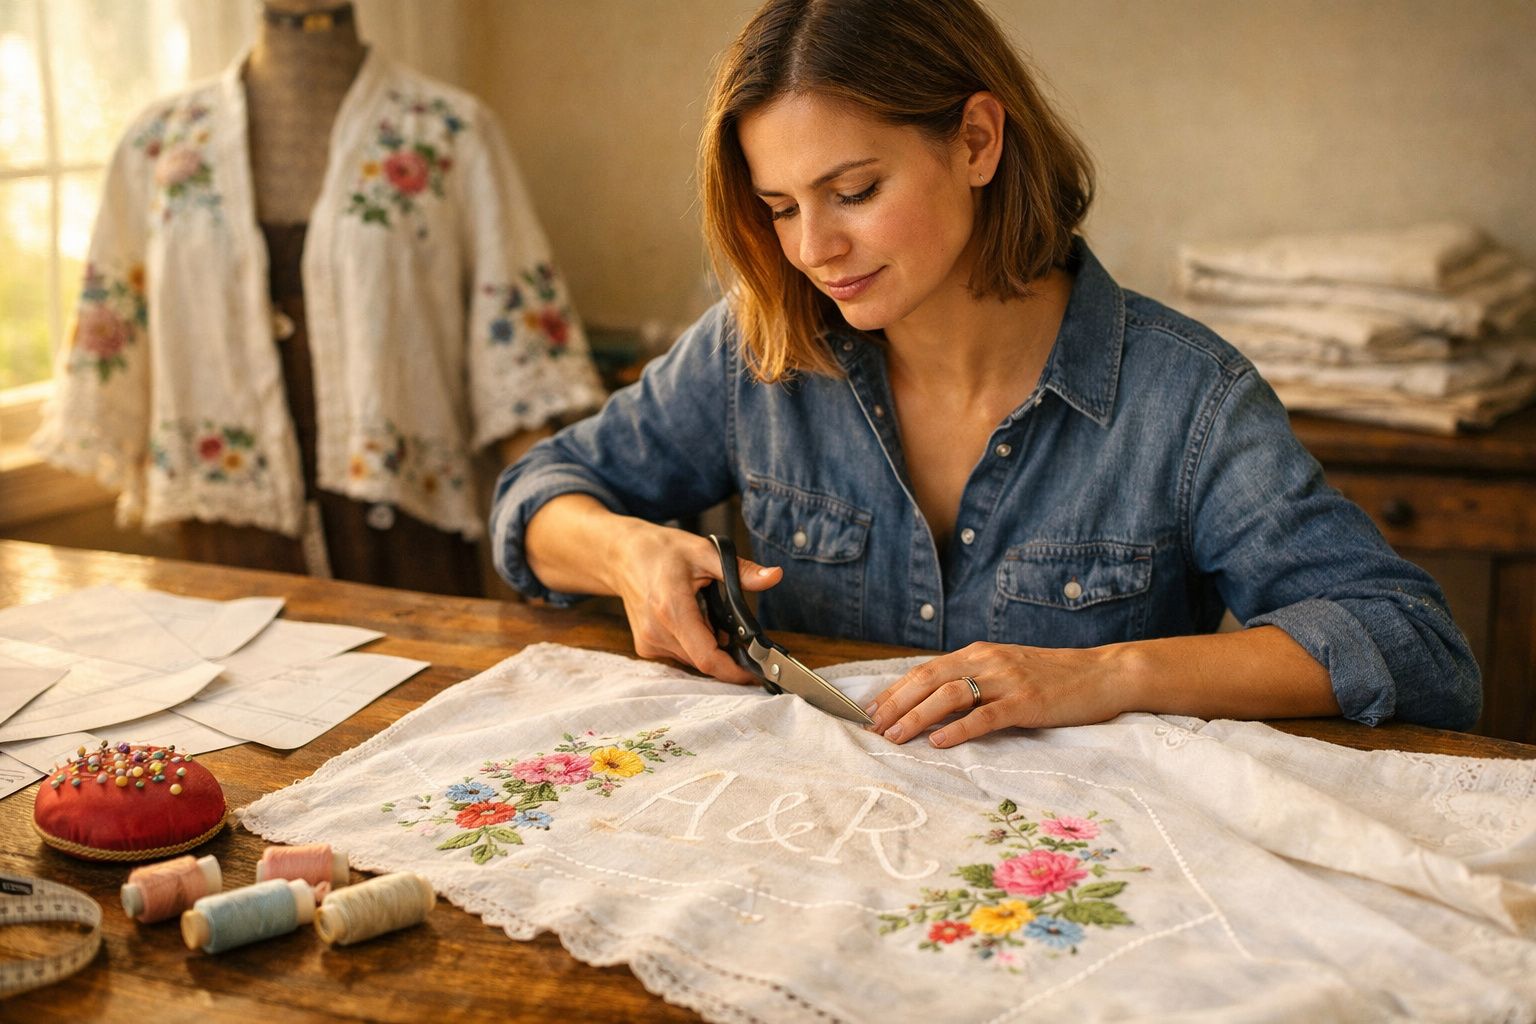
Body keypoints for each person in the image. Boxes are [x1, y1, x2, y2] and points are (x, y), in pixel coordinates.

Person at [491, 0, 1479, 746]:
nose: (815, 249)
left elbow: (1411, 643)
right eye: (782, 207)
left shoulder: (1185, 401)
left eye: (854, 190)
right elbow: (536, 498)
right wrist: (626, 555)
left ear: (976, 140)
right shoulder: (758, 348)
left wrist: (1103, 674)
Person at [34, 0, 604, 596]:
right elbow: (114, 350)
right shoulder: (155, 144)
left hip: (404, 536)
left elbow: (519, 363)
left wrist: (565, 523)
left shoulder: (450, 134)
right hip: (228, 538)